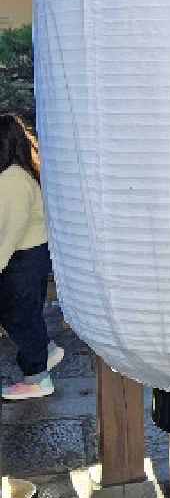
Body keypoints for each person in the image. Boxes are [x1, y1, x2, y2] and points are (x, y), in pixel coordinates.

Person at [0, 114, 63, 401]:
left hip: (22, 258)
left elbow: (10, 230)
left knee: (18, 315)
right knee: (24, 313)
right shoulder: (20, 171)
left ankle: (38, 378)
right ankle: (45, 352)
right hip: (31, 255)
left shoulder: (12, 178)